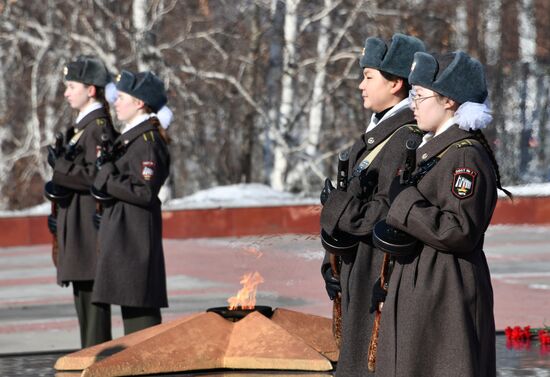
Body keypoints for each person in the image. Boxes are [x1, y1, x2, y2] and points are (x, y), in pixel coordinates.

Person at [374, 51, 512, 377]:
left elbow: (459, 230)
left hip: (446, 290)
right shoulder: (433, 149)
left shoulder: (465, 157)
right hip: (425, 287)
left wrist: (404, 202)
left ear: (449, 101)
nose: (413, 104)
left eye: (419, 96)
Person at [319, 33, 425, 376]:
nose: (360, 85)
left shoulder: (405, 137)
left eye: (368, 77)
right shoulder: (379, 133)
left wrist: (335, 206)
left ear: (395, 83)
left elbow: (385, 212)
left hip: (376, 270)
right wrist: (331, 263)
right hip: (357, 269)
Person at [92, 70, 171, 335]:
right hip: (126, 236)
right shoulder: (134, 138)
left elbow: (145, 192)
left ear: (139, 102)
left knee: (141, 327)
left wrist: (106, 178)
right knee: (133, 314)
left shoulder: (147, 142)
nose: (115, 102)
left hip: (135, 240)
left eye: (122, 97)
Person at [48, 56, 118, 348]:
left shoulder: (97, 127)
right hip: (76, 223)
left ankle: (96, 361)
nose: (66, 93)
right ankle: (90, 359)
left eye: (72, 86)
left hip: (88, 228)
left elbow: (97, 177)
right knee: (84, 299)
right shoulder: (82, 127)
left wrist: (62, 170)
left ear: (91, 89)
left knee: (92, 305)